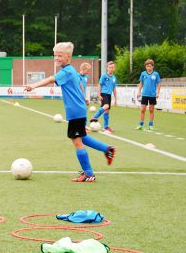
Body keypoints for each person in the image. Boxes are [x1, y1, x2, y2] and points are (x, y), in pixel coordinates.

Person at [25, 42, 115, 182]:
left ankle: (89, 173)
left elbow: (51, 79)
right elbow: (79, 83)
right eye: (55, 55)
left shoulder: (66, 71)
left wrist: (33, 85)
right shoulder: (72, 70)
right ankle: (107, 149)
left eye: (60, 55)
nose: (57, 58)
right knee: (82, 137)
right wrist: (83, 97)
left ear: (68, 56)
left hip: (75, 111)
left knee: (76, 141)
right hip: (78, 109)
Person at [90, 61, 117, 133]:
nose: (111, 68)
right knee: (106, 106)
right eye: (110, 67)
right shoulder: (104, 76)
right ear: (107, 68)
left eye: (113, 67)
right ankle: (95, 117)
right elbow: (99, 85)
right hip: (103, 93)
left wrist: (116, 99)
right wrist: (99, 95)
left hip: (109, 95)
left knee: (107, 111)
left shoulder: (114, 78)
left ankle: (106, 127)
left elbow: (114, 88)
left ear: (114, 68)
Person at [136, 59, 161, 131]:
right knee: (142, 110)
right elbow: (141, 83)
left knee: (151, 110)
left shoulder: (156, 74)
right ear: (145, 67)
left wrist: (158, 93)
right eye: (147, 66)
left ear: (153, 67)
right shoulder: (143, 73)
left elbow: (159, 84)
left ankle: (151, 125)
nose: (148, 67)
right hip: (144, 95)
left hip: (152, 95)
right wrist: (139, 92)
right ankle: (140, 124)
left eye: (150, 66)